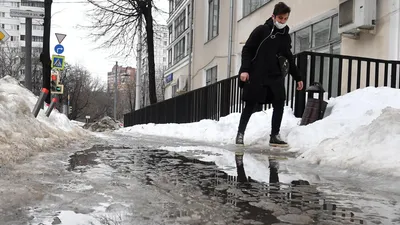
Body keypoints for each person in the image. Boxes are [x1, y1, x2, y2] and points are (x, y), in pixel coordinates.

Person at [236, 2, 304, 147]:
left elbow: (289, 57)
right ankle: (240, 134)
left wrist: (297, 77)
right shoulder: (262, 30)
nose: (283, 21)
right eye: (280, 18)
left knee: (279, 103)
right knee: (250, 104)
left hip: (275, 75)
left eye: (285, 18)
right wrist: (245, 70)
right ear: (273, 16)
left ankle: (274, 135)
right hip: (257, 74)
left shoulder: (285, 36)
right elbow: (247, 50)